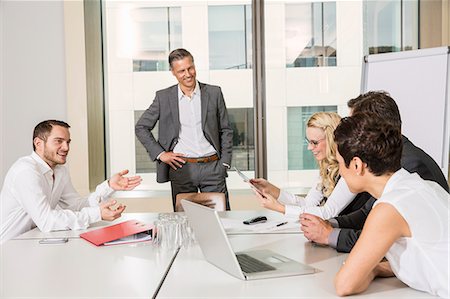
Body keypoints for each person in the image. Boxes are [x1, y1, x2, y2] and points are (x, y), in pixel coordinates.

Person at [300, 91, 449, 252]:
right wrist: (331, 224)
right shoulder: (394, 157)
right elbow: (368, 212)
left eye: (355, 125)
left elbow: (378, 238)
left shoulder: (409, 164)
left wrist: (330, 234)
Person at [332, 113, 449, 297]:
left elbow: (345, 285)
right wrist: (379, 269)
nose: (339, 171)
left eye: (339, 163)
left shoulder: (389, 208)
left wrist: (372, 270)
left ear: (356, 165)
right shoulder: (426, 187)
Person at [0, 120, 142, 243]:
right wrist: (97, 214)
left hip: (30, 242)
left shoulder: (60, 171)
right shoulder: (26, 171)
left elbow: (76, 205)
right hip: (7, 249)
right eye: (58, 141)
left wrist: (109, 186)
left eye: (68, 142)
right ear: (38, 143)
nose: (66, 147)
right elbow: (47, 221)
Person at [135, 48, 233, 210]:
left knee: (222, 219)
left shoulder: (214, 93)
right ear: (172, 72)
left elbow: (226, 130)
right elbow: (141, 127)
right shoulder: (163, 97)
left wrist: (224, 164)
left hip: (213, 168)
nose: (188, 74)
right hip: (181, 169)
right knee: (185, 221)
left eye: (190, 68)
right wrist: (161, 154)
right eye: (181, 71)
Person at [251, 112, 367, 219]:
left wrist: (280, 208)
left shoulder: (350, 169)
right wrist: (271, 190)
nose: (310, 148)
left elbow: (328, 212)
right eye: (309, 142)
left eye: (315, 142)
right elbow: (308, 204)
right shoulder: (328, 168)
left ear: (332, 140)